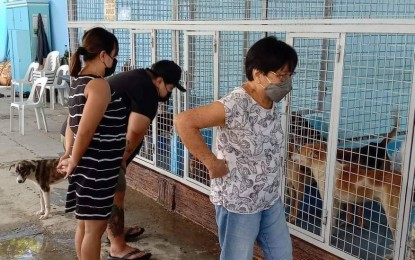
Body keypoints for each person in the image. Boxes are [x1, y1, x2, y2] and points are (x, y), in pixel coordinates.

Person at [174, 36, 298, 260]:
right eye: (281, 75)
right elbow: (184, 121)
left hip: (269, 198)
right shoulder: (235, 104)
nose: (286, 82)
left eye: (289, 75)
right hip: (239, 202)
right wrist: (210, 162)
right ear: (258, 74)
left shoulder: (270, 101)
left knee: (282, 255)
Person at [57, 27, 127, 260]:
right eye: (115, 55)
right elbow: (85, 130)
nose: (114, 61)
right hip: (96, 168)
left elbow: (71, 124)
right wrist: (73, 159)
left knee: (85, 227)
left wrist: (69, 153)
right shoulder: (98, 85)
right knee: (94, 232)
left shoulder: (78, 82)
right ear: (104, 55)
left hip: (87, 165)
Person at [106, 60, 186, 260]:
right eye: (169, 87)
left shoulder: (138, 78)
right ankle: (117, 247)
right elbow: (135, 130)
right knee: (116, 191)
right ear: (159, 80)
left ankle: (114, 231)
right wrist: (122, 159)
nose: (168, 94)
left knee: (108, 192)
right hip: (100, 146)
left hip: (88, 138)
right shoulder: (148, 92)